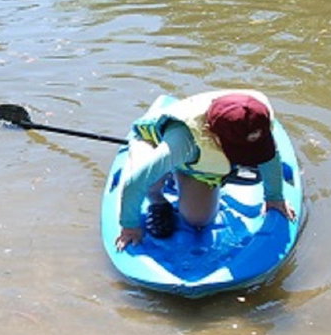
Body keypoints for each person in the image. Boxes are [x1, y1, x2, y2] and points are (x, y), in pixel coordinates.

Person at [112, 90, 295, 251]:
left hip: (193, 159)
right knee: (150, 176)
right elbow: (136, 180)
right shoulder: (182, 142)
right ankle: (158, 199)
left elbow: (270, 156)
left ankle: (183, 172)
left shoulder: (257, 116)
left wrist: (274, 197)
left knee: (198, 219)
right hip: (155, 141)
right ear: (210, 133)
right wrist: (129, 226)